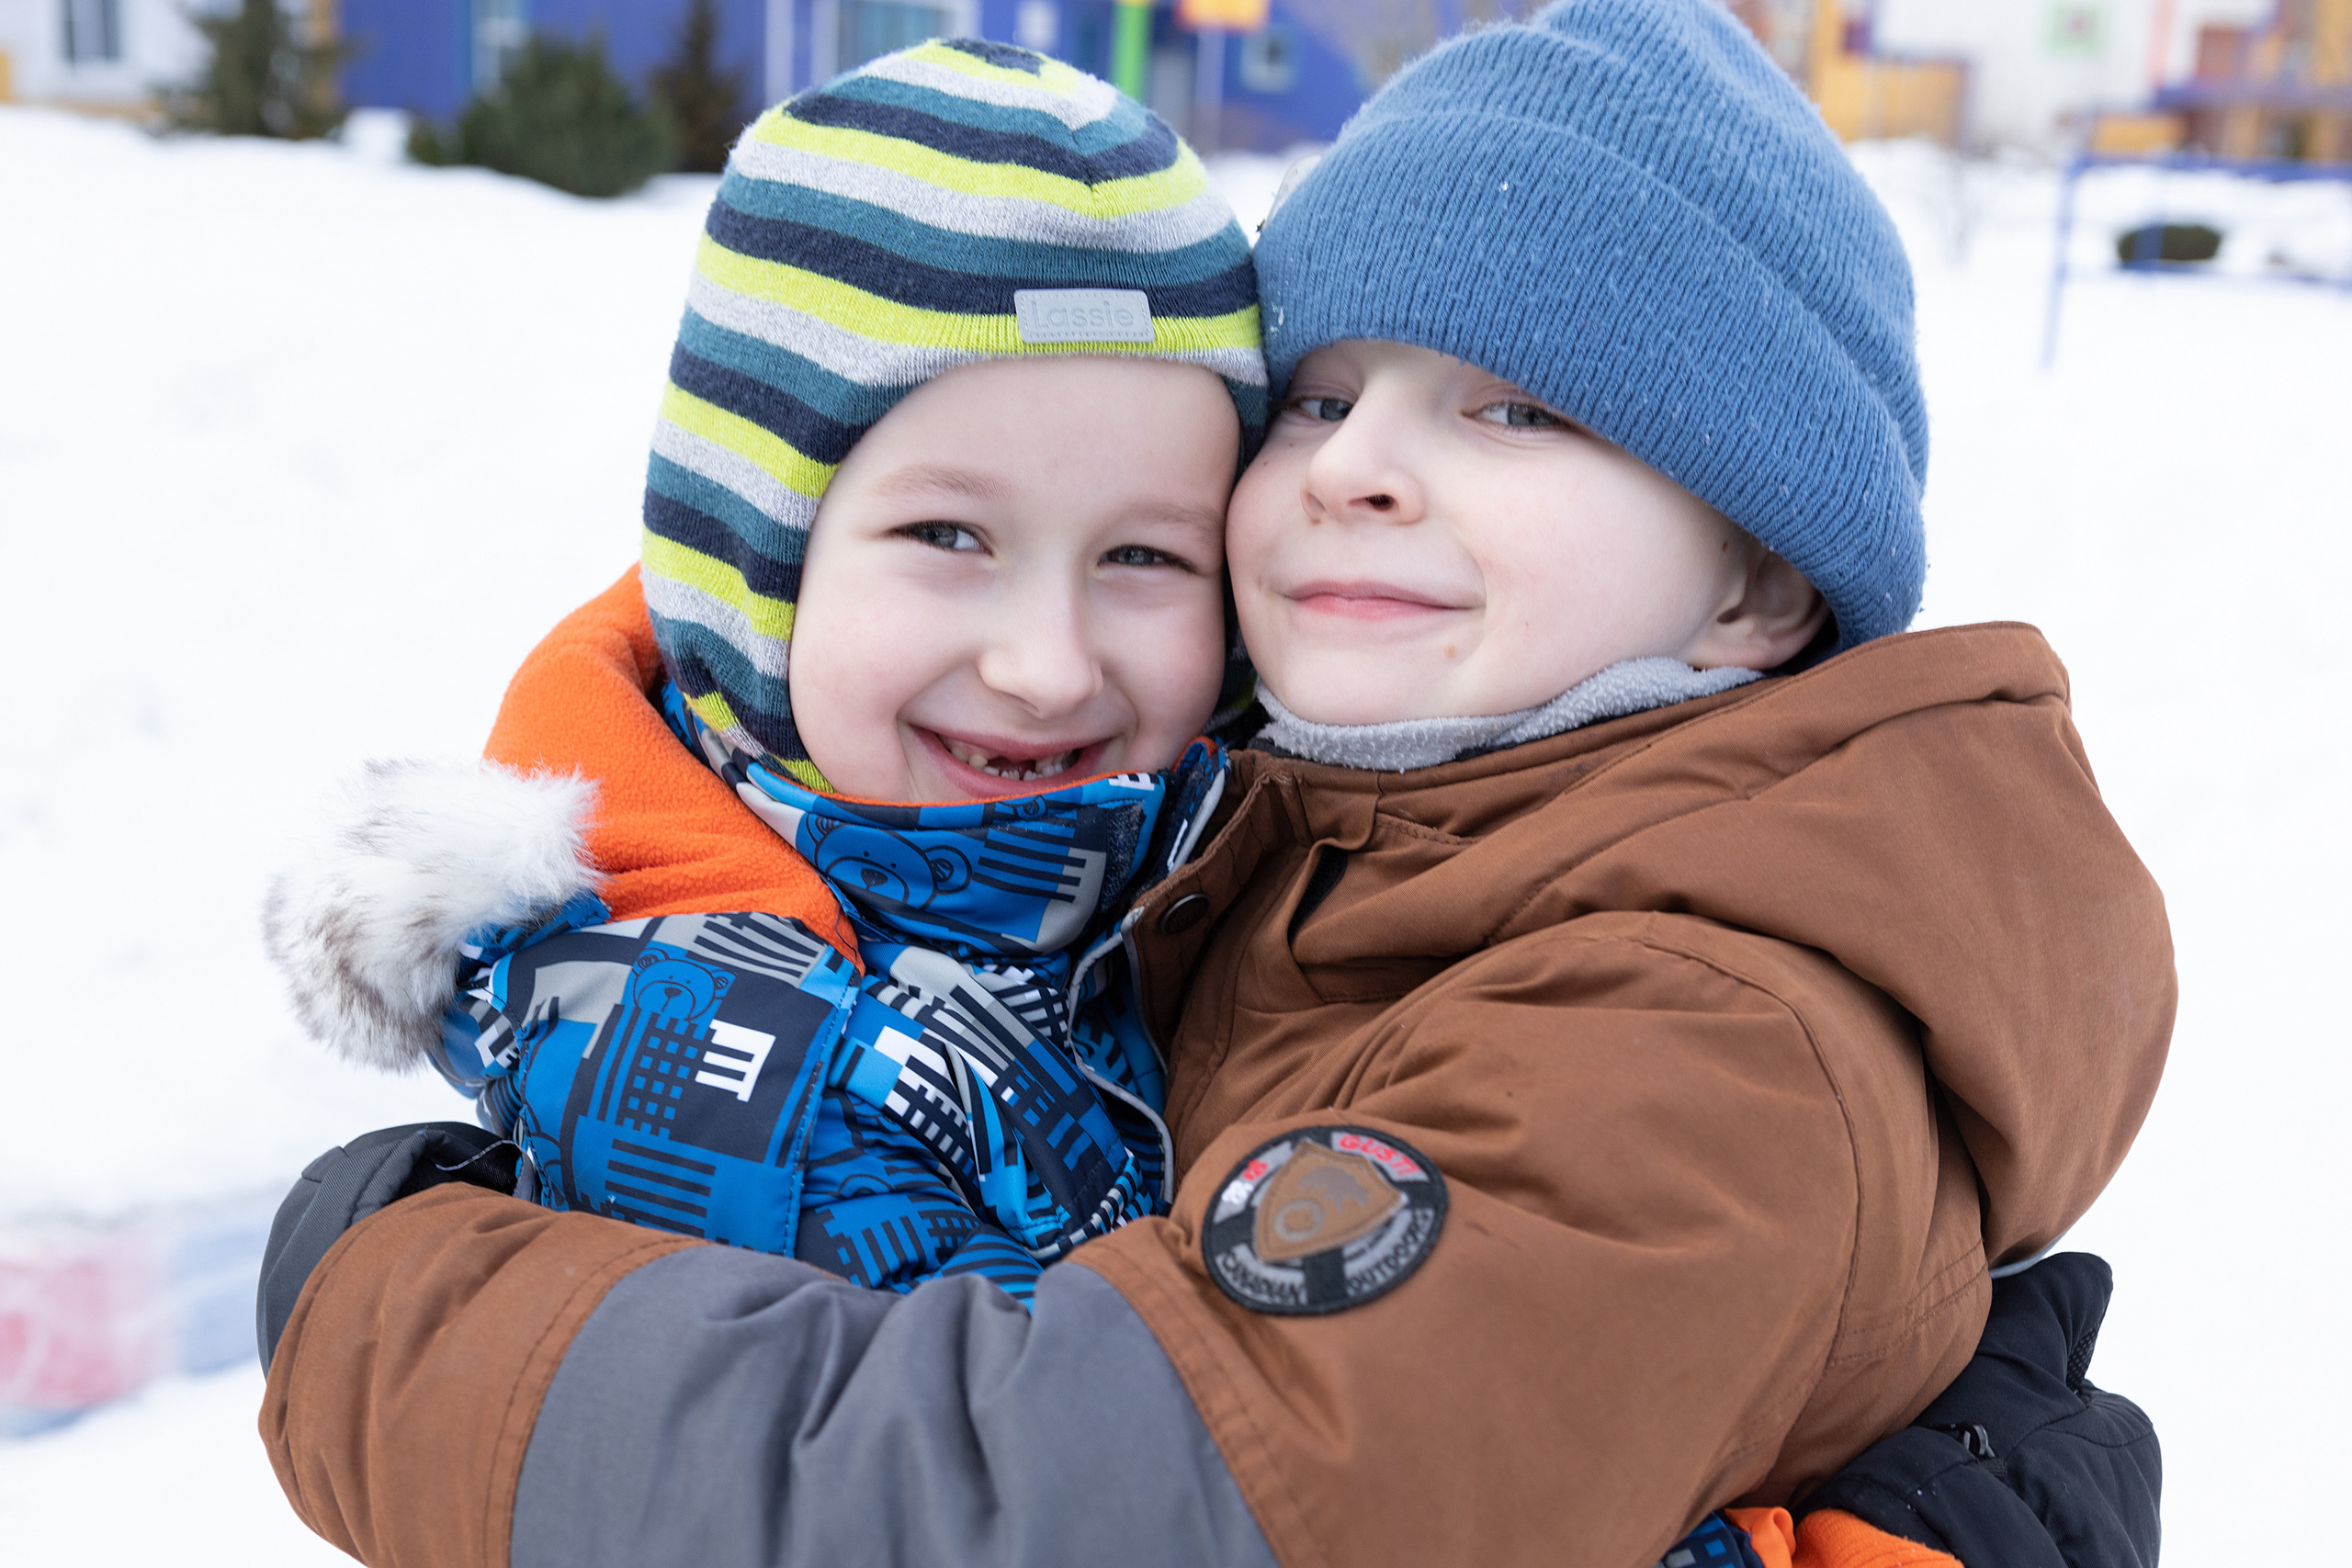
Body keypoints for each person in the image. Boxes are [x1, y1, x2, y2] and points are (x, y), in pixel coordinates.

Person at [254, 7, 2173, 1567]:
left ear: (1757, 582)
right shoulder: (1295, 860)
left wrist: (388, 1312)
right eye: (1321, 395)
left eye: (1513, 409)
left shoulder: (1695, 1029)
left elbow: (1070, 1511)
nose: (1352, 465)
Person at [264, 40, 1265, 1306]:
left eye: (1144, 555)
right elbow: (1061, 1430)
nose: (1048, 669)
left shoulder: (1202, 859)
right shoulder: (729, 1073)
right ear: (749, 569)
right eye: (949, 537)